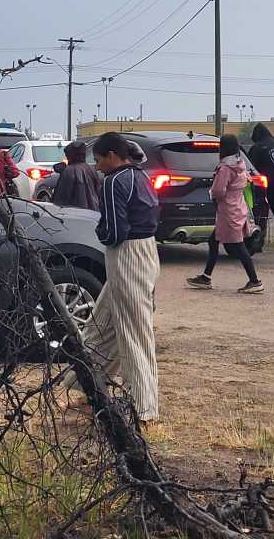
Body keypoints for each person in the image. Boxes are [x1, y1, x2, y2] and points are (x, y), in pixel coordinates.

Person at [73, 132, 161, 423]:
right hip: (147, 253)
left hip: (126, 256)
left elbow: (113, 232)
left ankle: (143, 408)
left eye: (98, 160)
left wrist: (97, 233)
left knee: (133, 333)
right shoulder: (140, 175)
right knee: (102, 325)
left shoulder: (113, 181)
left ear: (112, 155)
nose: (96, 167)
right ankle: (91, 391)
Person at [186, 134, 264, 294]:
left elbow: (218, 190)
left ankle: (254, 281)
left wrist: (211, 193)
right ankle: (206, 277)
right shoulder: (240, 163)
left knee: (238, 245)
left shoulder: (225, 168)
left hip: (228, 210)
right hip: (237, 206)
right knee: (213, 241)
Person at [247, 123, 274, 239]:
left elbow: (250, 167)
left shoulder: (257, 147)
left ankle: (258, 241)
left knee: (260, 215)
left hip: (261, 187)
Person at [51, 141, 102, 211]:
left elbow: (61, 198)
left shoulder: (69, 171)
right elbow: (98, 192)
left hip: (75, 213)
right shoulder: (91, 169)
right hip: (93, 212)